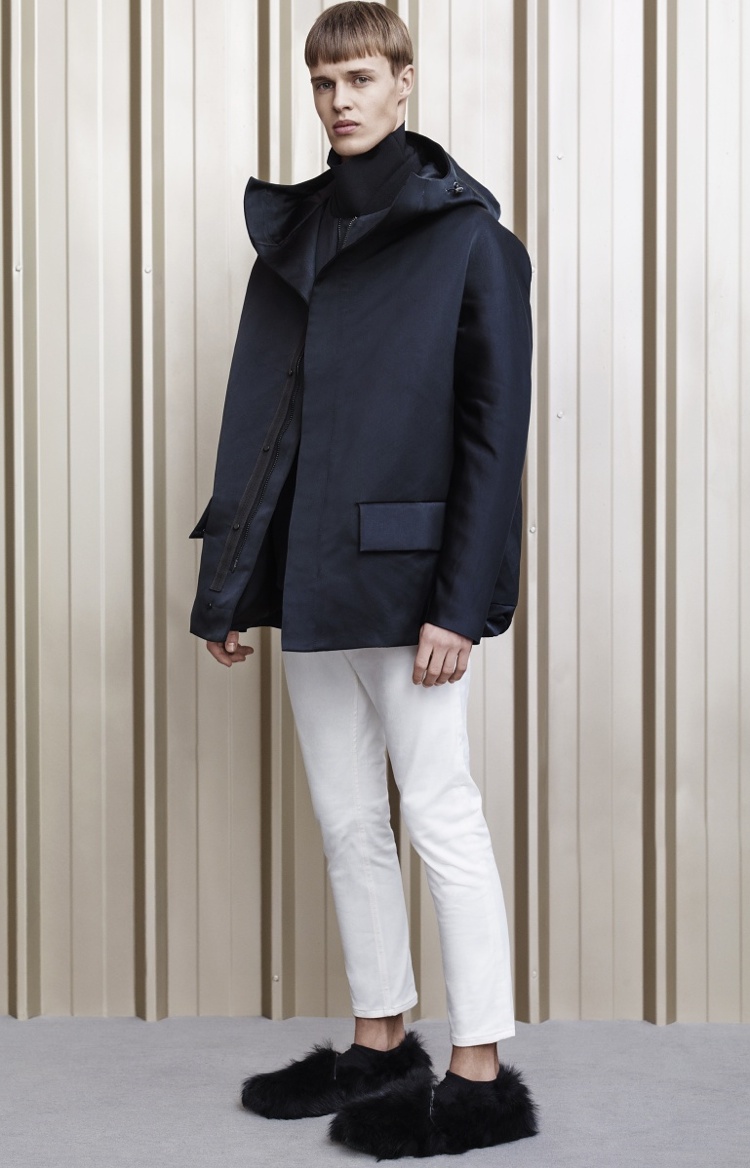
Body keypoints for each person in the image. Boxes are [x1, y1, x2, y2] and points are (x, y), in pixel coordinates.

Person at [189, 2, 537, 1157]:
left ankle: (480, 1069)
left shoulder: (470, 241)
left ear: (402, 83)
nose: (341, 100)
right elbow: (269, 423)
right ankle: (380, 1041)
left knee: (439, 812)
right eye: (324, 81)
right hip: (309, 576)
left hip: (411, 589)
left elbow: (492, 439)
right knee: (349, 820)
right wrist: (233, 581)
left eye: (360, 77)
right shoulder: (298, 235)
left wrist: (462, 604)